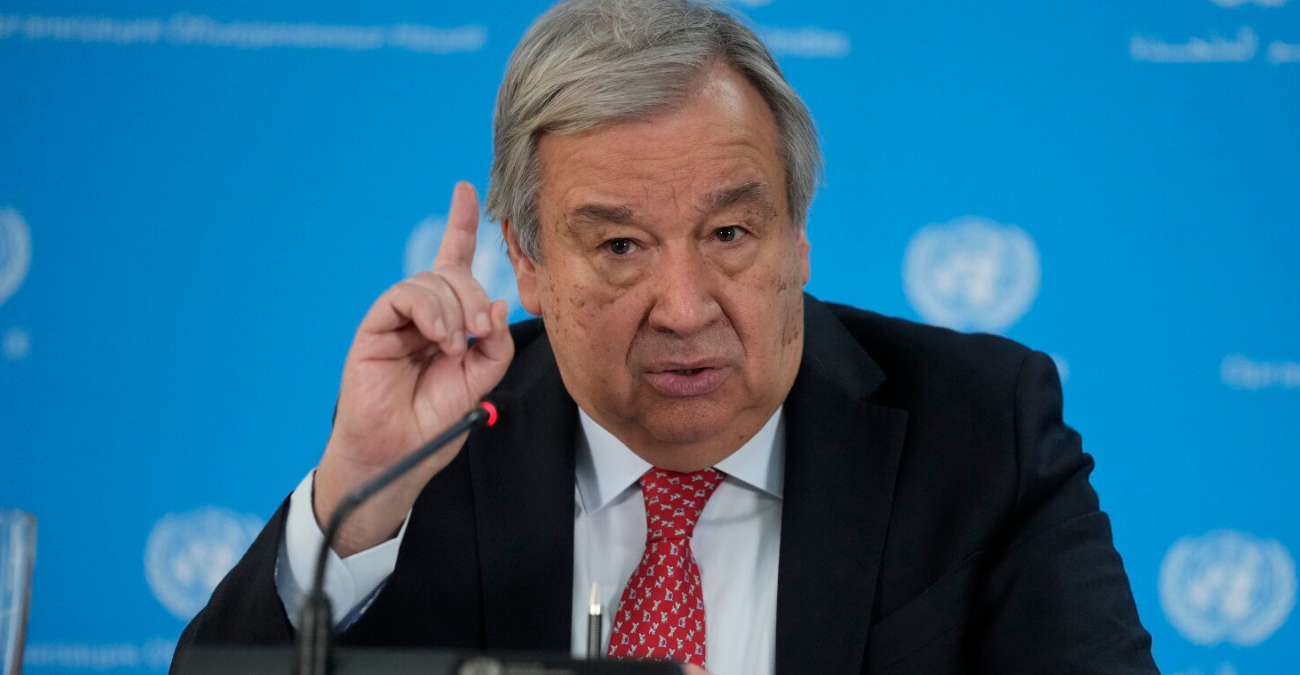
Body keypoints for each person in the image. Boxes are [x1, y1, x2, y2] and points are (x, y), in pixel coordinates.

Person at [172, 1, 1161, 673]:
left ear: (797, 234)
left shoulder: (979, 430)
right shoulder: (438, 446)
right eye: (619, 246)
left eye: (729, 234)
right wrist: (357, 495)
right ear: (526, 262)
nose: (684, 308)